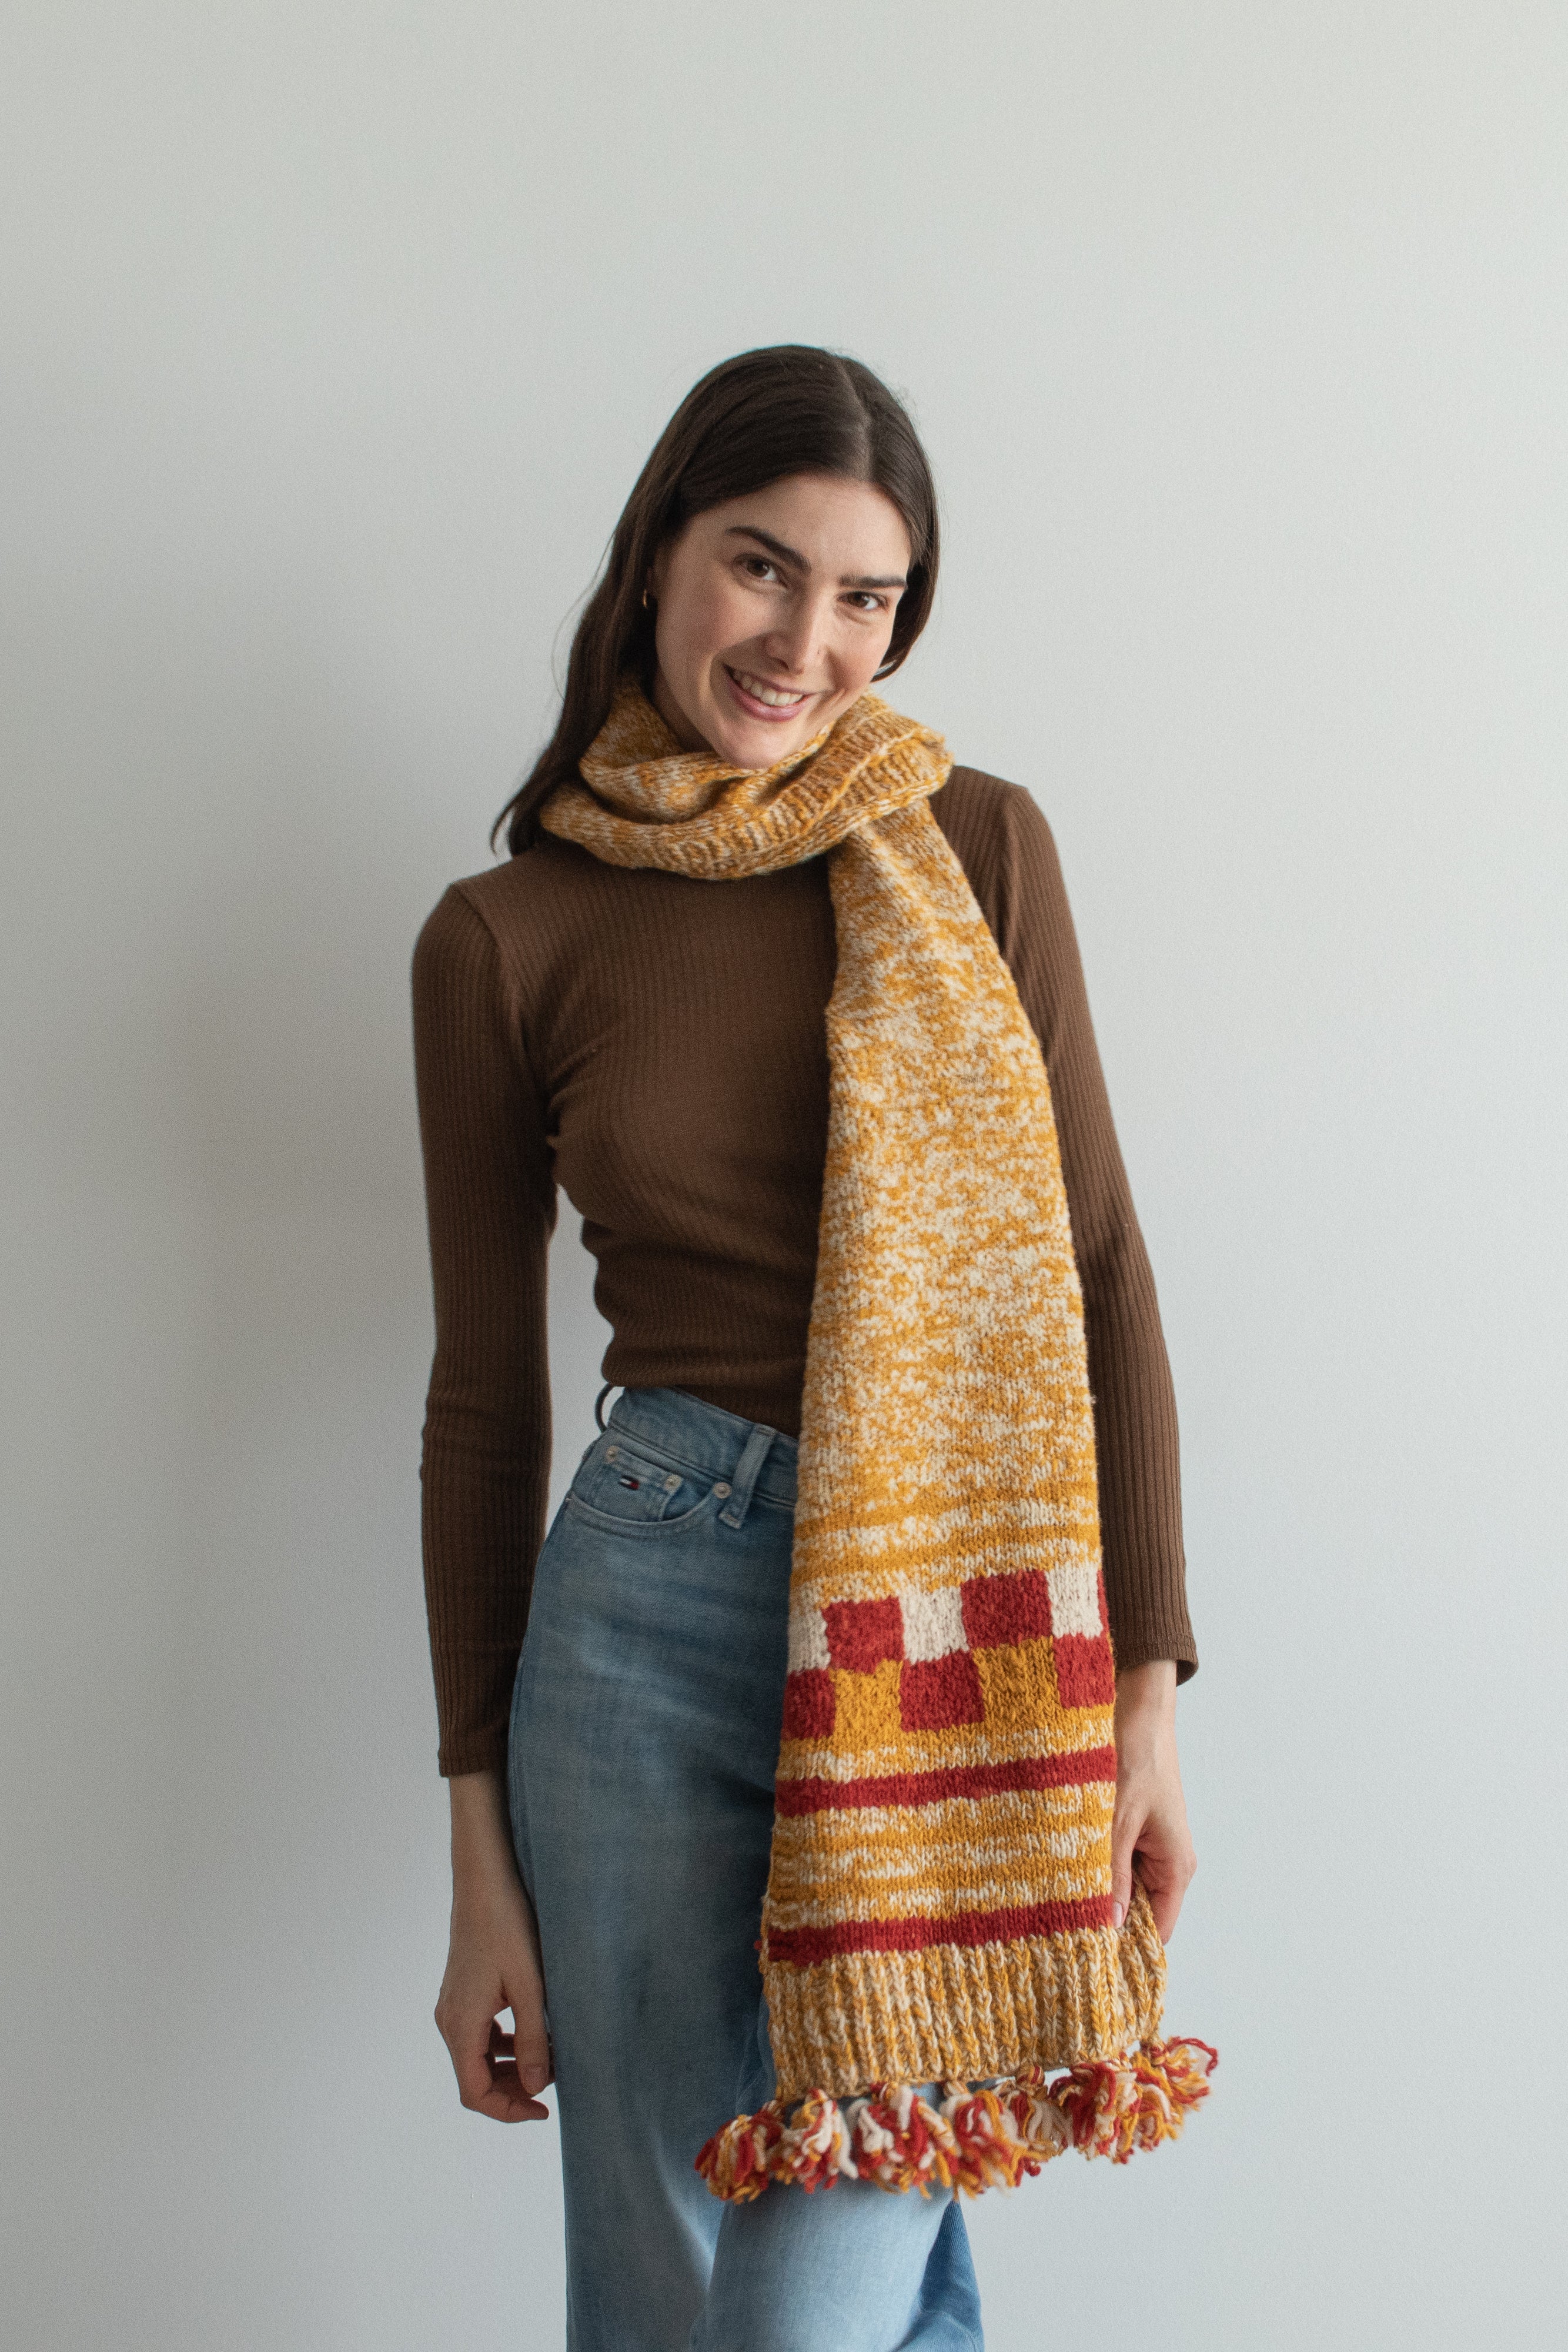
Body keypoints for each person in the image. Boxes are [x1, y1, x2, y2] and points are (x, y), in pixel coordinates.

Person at [411, 345, 1200, 2352]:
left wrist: (1146, 1694)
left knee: (809, 2306)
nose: (804, 641)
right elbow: (484, 1403)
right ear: (658, 554)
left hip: (966, 1631)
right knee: (660, 2282)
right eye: (761, 566)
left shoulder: (975, 846)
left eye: (866, 596)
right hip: (643, 1608)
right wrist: (477, 1855)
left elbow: (1097, 1265)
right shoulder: (506, 935)